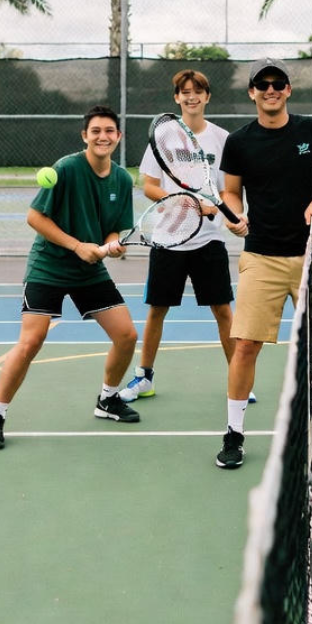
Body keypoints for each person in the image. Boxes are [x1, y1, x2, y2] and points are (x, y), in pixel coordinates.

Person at [215, 58, 312, 469]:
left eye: (277, 83)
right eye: (262, 84)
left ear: (287, 90)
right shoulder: (239, 141)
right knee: (245, 345)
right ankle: (234, 434)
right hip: (260, 256)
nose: (270, 89)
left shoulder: (311, 131)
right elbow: (230, 192)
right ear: (252, 92)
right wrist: (235, 216)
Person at [0, 105, 139, 450]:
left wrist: (112, 245)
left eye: (109, 130)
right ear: (85, 136)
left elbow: (113, 228)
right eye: (95, 131)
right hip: (48, 267)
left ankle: (107, 399)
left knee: (126, 335)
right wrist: (77, 245)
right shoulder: (65, 169)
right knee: (31, 341)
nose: (102, 136)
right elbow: (35, 218)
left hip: (89, 271)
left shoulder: (123, 179)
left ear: (119, 137)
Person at [119, 69, 255, 406]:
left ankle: (239, 379)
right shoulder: (164, 137)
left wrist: (223, 211)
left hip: (209, 241)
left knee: (223, 311)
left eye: (198, 91)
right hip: (169, 239)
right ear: (176, 98)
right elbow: (149, 184)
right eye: (185, 92)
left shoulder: (222, 139)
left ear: (207, 97)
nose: (191, 97)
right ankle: (144, 377)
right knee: (157, 310)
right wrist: (180, 200)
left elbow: (228, 189)